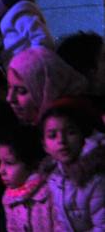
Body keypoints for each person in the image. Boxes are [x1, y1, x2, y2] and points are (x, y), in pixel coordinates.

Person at [41, 98, 105, 230]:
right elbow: (60, 221)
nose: (62, 141)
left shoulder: (96, 180)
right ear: (44, 146)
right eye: (53, 135)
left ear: (83, 135)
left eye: (70, 132)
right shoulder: (54, 176)